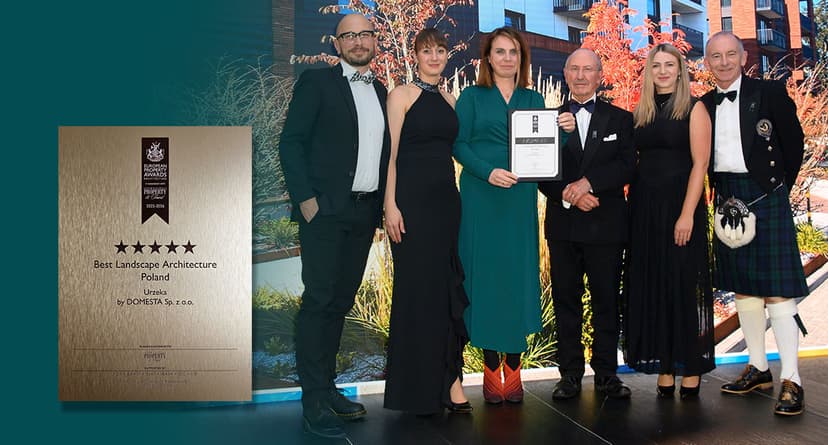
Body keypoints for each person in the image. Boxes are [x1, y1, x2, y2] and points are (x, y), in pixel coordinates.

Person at [278, 13, 391, 439]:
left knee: (340, 302)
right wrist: (306, 201)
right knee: (319, 301)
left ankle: (328, 389)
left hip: (363, 214)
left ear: (374, 41)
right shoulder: (317, 82)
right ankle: (312, 399)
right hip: (324, 213)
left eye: (365, 34)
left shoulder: (380, 91)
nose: (358, 41)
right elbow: (291, 142)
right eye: (350, 36)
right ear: (337, 43)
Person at [701, 31, 807, 416]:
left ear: (744, 57)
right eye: (716, 56)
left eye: (731, 54)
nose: (724, 62)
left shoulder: (770, 93)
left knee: (777, 289)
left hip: (766, 194)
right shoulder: (703, 104)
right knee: (743, 287)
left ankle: (792, 378)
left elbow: (794, 144)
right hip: (728, 196)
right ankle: (758, 368)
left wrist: (777, 189)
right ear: (706, 62)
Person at [382, 28, 471, 415]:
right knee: (416, 293)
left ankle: (450, 380)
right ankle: (414, 390)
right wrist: (389, 204)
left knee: (444, 291)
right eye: (427, 51)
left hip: (446, 205)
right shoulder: (401, 95)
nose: (434, 57)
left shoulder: (451, 100)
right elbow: (389, 155)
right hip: (411, 206)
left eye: (440, 51)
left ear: (447, 55)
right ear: (416, 56)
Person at [453, 27, 543, 404]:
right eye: (500, 51)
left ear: (522, 59)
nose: (507, 58)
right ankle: (491, 367)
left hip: (519, 198)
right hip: (481, 197)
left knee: (516, 274)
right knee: (484, 277)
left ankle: (515, 365)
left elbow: (545, 147)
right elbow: (458, 144)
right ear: (488, 58)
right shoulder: (472, 97)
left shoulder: (533, 98)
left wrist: (566, 131)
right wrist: (486, 171)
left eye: (513, 52)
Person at [539, 48, 635, 400]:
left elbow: (627, 165)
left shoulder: (621, 119)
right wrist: (571, 194)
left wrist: (589, 183)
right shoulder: (546, 120)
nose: (581, 76)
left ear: (599, 76)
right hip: (563, 226)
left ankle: (607, 374)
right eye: (574, 69)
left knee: (606, 301)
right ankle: (569, 375)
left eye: (588, 69)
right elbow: (539, 169)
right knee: (566, 302)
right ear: (565, 74)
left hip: (606, 227)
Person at [624, 43, 715, 399]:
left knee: (681, 285)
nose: (662, 71)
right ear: (649, 72)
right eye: (656, 65)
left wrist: (687, 214)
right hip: (645, 209)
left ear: (680, 71)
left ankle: (690, 366)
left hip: (680, 207)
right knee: (656, 286)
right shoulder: (640, 112)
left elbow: (700, 164)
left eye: (669, 65)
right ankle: (665, 365)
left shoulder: (695, 108)